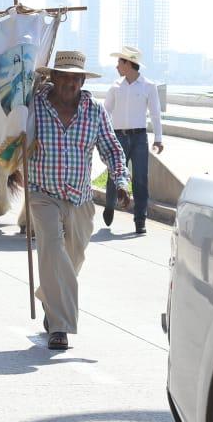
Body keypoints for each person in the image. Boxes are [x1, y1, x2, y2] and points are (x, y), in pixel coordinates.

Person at [13, 50, 129, 351]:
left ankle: (51, 297)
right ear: (53, 77)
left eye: (76, 78)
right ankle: (60, 327)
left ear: (82, 81)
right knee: (52, 250)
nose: (70, 83)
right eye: (64, 77)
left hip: (80, 197)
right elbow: (12, 132)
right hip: (43, 193)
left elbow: (112, 149)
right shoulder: (34, 105)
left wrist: (120, 180)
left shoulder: (94, 111)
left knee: (72, 259)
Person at [103, 45, 165, 235]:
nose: (116, 66)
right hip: (118, 137)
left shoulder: (149, 86)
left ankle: (140, 220)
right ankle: (109, 205)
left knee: (140, 179)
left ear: (128, 64)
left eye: (119, 62)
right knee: (113, 174)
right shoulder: (115, 86)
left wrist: (158, 138)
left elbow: (155, 114)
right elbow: (105, 113)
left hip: (139, 138)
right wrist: (102, 136)